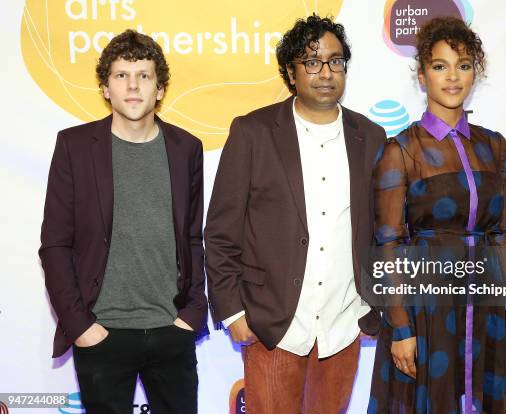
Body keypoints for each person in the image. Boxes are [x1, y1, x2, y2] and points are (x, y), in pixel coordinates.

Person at [204, 14, 386, 413]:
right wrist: (233, 311)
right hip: (272, 325)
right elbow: (221, 231)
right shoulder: (253, 132)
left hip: (343, 325)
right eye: (312, 62)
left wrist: (374, 305)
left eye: (335, 61)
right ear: (291, 71)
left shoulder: (371, 137)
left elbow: (382, 230)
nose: (325, 72)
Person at [368, 17, 506, 413]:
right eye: (440, 66)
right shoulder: (402, 151)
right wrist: (400, 328)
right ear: (422, 74)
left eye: (463, 66)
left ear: (474, 73)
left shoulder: (495, 148)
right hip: (427, 310)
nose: (452, 77)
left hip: (488, 307)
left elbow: (505, 236)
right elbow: (388, 244)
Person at [39, 29, 208, 414]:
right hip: (102, 332)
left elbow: (192, 237)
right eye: (121, 76)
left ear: (160, 88)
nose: (133, 87)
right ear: (105, 87)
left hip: (171, 330)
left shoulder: (186, 149)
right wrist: (80, 326)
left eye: (144, 76)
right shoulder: (74, 147)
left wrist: (193, 312)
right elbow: (55, 244)